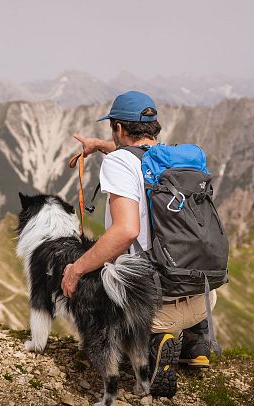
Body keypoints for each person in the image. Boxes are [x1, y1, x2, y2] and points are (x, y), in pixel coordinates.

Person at [61, 91, 217, 397]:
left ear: (118, 129)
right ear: (154, 127)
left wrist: (76, 270)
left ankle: (153, 343)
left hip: (150, 306)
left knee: (97, 275)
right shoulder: (176, 160)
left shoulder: (118, 163)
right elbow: (139, 157)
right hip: (203, 299)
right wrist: (101, 146)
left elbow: (126, 231)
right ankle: (196, 341)